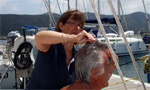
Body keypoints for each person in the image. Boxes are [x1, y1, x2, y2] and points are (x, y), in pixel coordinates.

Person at [25, 9, 95, 89]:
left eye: (80, 26)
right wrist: (74, 38)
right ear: (61, 25)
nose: (78, 28)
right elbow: (39, 37)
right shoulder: (50, 47)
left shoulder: (78, 58)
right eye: (73, 23)